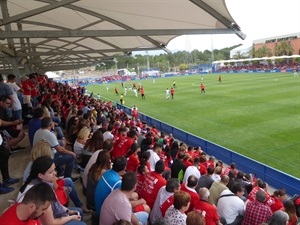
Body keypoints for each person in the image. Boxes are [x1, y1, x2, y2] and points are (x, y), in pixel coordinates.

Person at [17, 156, 86, 225]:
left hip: (50, 217)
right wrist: (71, 217)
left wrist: (68, 211)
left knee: (79, 211)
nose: (55, 173)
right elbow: (50, 223)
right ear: (40, 175)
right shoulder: (41, 193)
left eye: (54, 170)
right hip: (44, 222)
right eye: (51, 172)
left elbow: (56, 202)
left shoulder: (38, 182)